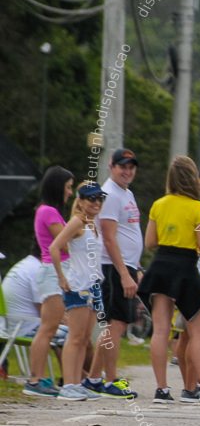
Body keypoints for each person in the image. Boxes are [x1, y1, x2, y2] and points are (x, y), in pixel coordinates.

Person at [139, 155, 200, 405]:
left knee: (160, 330)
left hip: (160, 265)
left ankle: (161, 390)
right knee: (198, 332)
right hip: (186, 267)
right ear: (192, 179)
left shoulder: (159, 204)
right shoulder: (197, 208)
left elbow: (149, 242)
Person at [83, 149, 143, 399]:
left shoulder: (125, 192)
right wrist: (124, 274)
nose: (127, 171)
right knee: (115, 325)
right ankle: (110, 381)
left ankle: (94, 378)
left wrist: (135, 268)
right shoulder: (110, 194)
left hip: (126, 266)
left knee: (115, 325)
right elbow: (108, 237)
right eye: (122, 166)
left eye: (131, 166)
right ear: (111, 166)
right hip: (113, 267)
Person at [49, 182, 107, 400]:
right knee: (75, 337)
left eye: (100, 198)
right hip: (78, 286)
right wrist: (61, 277)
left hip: (93, 286)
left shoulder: (93, 224)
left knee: (84, 339)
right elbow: (55, 247)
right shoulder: (77, 222)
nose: (97, 203)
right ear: (81, 201)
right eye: (92, 199)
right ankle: (69, 384)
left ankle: (78, 384)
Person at [24, 166, 73, 397]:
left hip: (53, 271)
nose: (70, 193)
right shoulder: (49, 212)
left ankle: (40, 377)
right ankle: (35, 379)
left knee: (49, 329)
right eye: (68, 187)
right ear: (58, 187)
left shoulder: (45, 210)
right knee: (48, 329)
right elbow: (64, 244)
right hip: (54, 272)